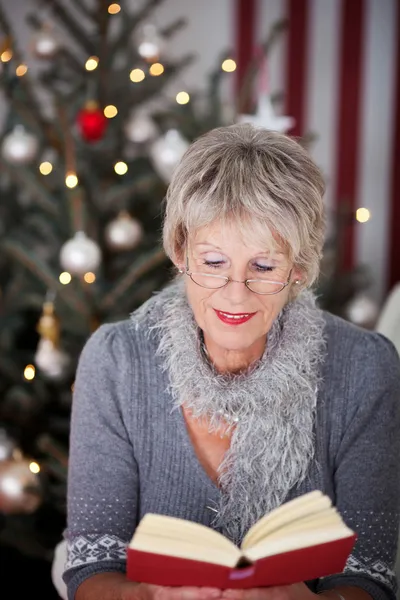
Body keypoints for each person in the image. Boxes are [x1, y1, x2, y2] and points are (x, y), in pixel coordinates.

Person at [61, 123, 400, 600]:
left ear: (298, 268)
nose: (235, 294)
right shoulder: (115, 361)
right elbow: (91, 570)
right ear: (180, 251)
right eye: (214, 262)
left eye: (263, 266)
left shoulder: (367, 368)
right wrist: (152, 597)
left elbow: (370, 579)